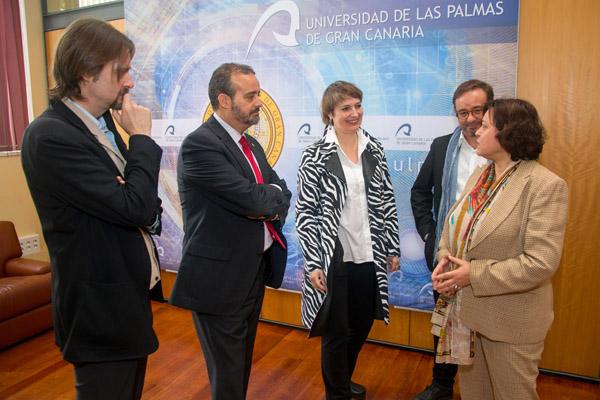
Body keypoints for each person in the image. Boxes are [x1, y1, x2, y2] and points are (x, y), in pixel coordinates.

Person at [21, 18, 163, 400]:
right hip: (98, 312)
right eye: (121, 71)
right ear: (86, 72)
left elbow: (144, 203)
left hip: (123, 303)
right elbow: (134, 205)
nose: (129, 82)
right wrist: (143, 140)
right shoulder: (51, 135)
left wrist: (136, 195)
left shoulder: (98, 126)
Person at [431, 98, 568, 400]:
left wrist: (471, 274)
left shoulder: (544, 185)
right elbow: (452, 226)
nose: (476, 130)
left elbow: (540, 262)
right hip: (469, 316)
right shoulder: (482, 176)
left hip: (511, 324)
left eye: (486, 125)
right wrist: (445, 258)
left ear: (508, 133)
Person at [170, 63, 291, 400]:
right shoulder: (201, 145)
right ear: (224, 99)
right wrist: (271, 197)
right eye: (251, 95)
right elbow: (255, 200)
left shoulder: (249, 144)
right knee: (228, 373)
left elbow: (279, 190)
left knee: (239, 365)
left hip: (250, 270)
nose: (258, 103)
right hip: (218, 280)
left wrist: (271, 197)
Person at [296, 81, 400, 400]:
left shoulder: (374, 148)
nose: (354, 113)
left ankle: (343, 377)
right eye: (346, 108)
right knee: (336, 332)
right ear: (330, 114)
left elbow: (386, 199)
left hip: (370, 253)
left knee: (360, 324)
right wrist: (314, 262)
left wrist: (392, 246)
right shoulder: (315, 154)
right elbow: (306, 212)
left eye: (358, 105)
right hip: (335, 257)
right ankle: (337, 393)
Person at [410, 79, 493, 400]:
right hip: (447, 254)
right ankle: (442, 385)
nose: (471, 119)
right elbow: (420, 192)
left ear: (491, 110)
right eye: (463, 113)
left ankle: (485, 387)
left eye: (477, 110)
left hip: (489, 257)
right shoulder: (442, 146)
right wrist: (430, 235)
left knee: (484, 326)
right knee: (445, 323)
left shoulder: (506, 148)